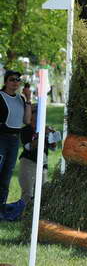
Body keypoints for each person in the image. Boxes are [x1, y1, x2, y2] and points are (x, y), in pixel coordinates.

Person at [0, 70, 32, 220]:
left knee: (6, 176)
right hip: (1, 139)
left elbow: (26, 121)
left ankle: (1, 208)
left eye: (18, 80)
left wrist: (28, 99)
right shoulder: (0, 97)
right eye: (12, 80)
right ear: (6, 81)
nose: (15, 83)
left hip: (14, 141)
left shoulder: (20, 99)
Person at [18, 105, 60, 205]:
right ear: (30, 115)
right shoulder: (26, 130)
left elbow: (53, 148)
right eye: (35, 112)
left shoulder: (45, 128)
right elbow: (29, 147)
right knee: (27, 192)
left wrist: (53, 136)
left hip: (43, 165)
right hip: (28, 163)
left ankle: (38, 216)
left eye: (39, 112)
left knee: (42, 192)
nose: (38, 114)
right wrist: (41, 134)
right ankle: (24, 215)